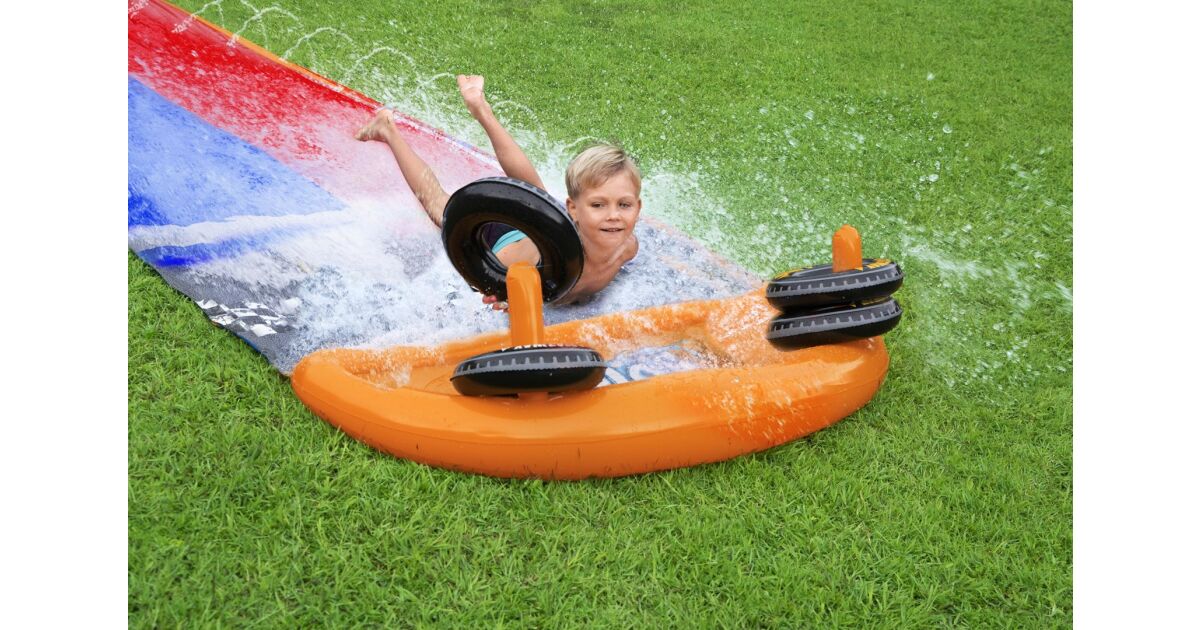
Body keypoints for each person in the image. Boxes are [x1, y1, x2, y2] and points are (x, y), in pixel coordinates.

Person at [355, 75, 641, 308]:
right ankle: (388, 129)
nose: (613, 216)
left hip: (547, 231)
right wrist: (504, 295)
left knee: (538, 199)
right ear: (574, 208)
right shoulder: (554, 256)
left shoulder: (626, 249)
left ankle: (480, 111)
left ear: (638, 207)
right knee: (441, 207)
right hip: (506, 242)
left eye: (624, 205)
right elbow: (496, 288)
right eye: (598, 205)